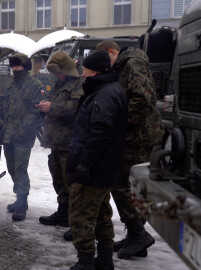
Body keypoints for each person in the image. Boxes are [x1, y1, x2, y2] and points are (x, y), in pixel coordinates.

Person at [96, 40, 163, 258]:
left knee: (121, 183)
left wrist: (118, 123)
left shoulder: (132, 63)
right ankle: (136, 235)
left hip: (137, 135)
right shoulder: (125, 64)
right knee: (130, 185)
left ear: (112, 52)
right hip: (136, 134)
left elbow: (143, 99)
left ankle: (138, 233)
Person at [66, 50, 128, 270]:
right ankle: (104, 260)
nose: (82, 74)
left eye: (84, 70)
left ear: (93, 71)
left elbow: (100, 133)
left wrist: (85, 164)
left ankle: (85, 262)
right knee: (101, 214)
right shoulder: (108, 89)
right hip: (103, 168)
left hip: (94, 170)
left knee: (81, 215)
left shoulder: (105, 94)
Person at [36, 52, 83, 237]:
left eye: (57, 72)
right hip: (57, 140)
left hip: (70, 142)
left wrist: (52, 107)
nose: (56, 76)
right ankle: (63, 213)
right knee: (58, 179)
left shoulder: (79, 82)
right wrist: (44, 105)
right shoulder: (60, 82)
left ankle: (76, 221)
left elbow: (77, 107)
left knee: (72, 183)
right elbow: (55, 100)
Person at [0, 53, 44, 221]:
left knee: (20, 168)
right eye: (13, 66)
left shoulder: (35, 85)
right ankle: (19, 198)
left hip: (23, 136)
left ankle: (22, 202)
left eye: (18, 66)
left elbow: (36, 111)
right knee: (12, 168)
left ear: (26, 66)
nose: (15, 69)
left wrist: (23, 129)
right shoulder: (8, 86)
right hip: (7, 134)